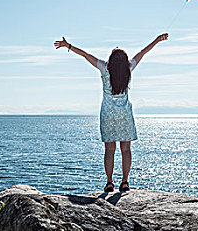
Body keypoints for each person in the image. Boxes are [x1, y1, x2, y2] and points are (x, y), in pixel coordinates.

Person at [54, 33, 168, 192]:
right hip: (124, 115)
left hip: (108, 114)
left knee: (109, 150)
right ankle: (125, 182)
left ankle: (109, 182)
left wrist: (69, 46)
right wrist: (157, 40)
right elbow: (143, 52)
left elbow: (86, 55)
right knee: (126, 149)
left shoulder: (104, 67)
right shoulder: (129, 67)